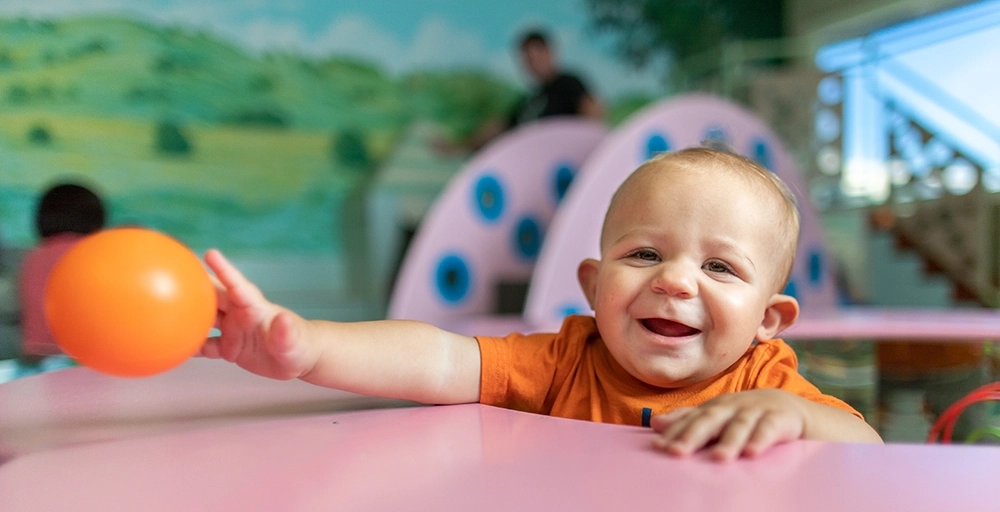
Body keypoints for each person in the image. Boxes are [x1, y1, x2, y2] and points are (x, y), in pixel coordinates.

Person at [201, 147, 882, 461]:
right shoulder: (564, 360)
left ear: (769, 322)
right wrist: (308, 348)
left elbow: (869, 447)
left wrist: (790, 415)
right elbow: (437, 360)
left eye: (718, 266)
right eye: (644, 254)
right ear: (592, 286)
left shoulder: (762, 383)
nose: (676, 281)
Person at [444, 28, 605, 153]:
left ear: (548, 52)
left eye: (536, 57)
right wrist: (459, 146)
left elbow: (592, 110)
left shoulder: (569, 83)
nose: (532, 64)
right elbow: (498, 127)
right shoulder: (529, 101)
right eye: (527, 59)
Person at [19, 183, 106, 361]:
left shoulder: (35, 256)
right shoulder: (93, 252)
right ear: (95, 220)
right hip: (80, 357)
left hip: (34, 356)